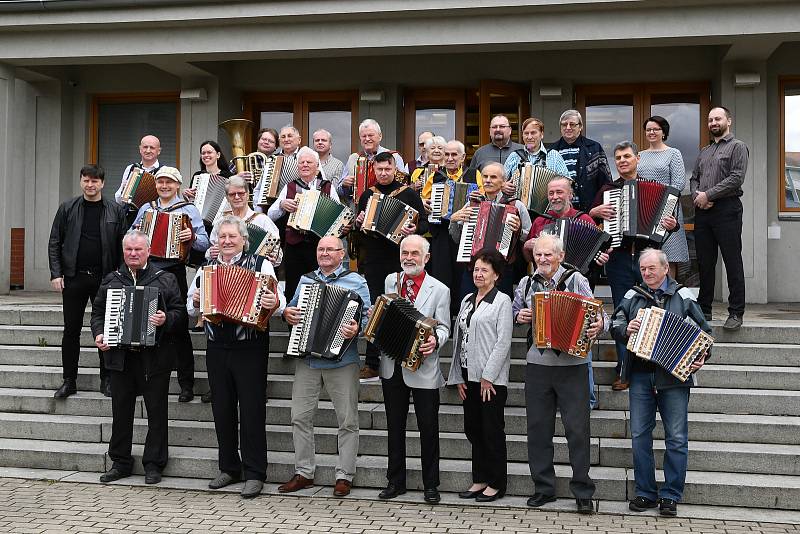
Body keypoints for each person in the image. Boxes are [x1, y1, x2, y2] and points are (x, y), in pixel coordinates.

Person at [187, 215, 285, 499]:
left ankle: (255, 473)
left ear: (244, 239)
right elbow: (192, 308)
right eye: (223, 237)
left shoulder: (261, 264)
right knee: (222, 408)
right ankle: (229, 468)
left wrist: (273, 302)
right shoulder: (207, 268)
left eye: (233, 237)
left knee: (252, 409)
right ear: (217, 240)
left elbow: (279, 304)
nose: (227, 241)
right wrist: (195, 302)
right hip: (217, 346)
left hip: (250, 346)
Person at [610, 248, 711, 517]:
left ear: (666, 269)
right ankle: (645, 493)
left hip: (674, 377)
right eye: (643, 269)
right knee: (640, 435)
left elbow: (704, 332)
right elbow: (615, 322)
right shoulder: (634, 295)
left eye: (651, 268)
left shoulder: (683, 296)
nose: (647, 273)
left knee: (676, 438)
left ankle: (671, 495)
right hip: (641, 375)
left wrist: (701, 356)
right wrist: (625, 329)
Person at [513, 234, 606, 514]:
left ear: (560, 256)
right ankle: (544, 488)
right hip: (538, 365)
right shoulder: (526, 283)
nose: (542, 260)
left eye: (548, 255)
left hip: (572, 366)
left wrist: (598, 326)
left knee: (578, 431)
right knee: (538, 430)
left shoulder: (576, 280)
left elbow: (597, 314)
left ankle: (582, 490)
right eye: (538, 255)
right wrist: (520, 316)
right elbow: (515, 310)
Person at [278, 236, 371, 498]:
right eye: (321, 249)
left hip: (343, 361)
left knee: (348, 420)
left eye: (330, 249)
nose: (325, 253)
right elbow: (292, 308)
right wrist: (288, 314)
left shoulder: (356, 281)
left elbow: (368, 317)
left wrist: (357, 329)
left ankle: (344, 475)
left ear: (342, 254)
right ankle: (304, 472)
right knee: (299, 416)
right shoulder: (307, 279)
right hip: (308, 359)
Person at [92, 230, 186, 485]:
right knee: (121, 411)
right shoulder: (112, 279)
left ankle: (154, 463)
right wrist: (99, 333)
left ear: (147, 251)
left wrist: (166, 319)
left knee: (157, 411)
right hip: (120, 358)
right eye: (129, 250)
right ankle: (120, 461)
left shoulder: (164, 279)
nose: (133, 254)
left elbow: (180, 313)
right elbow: (98, 312)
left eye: (138, 250)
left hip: (155, 358)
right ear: (124, 251)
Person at [590, 141, 677, 391]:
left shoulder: (658, 189)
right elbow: (589, 218)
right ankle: (624, 369)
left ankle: (653, 365)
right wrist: (596, 210)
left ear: (637, 158)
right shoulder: (608, 189)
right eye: (618, 158)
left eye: (627, 156)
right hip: (618, 259)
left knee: (653, 311)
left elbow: (670, 224)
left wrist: (671, 225)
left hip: (646, 259)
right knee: (622, 312)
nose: (622, 161)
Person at [522, 176, 608, 409]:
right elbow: (529, 255)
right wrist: (529, 247)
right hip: (544, 288)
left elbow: (595, 251)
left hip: (575, 285)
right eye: (551, 193)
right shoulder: (540, 221)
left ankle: (586, 399)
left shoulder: (584, 219)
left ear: (570, 194)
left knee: (580, 338)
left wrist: (599, 257)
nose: (555, 197)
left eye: (560, 192)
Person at [376, 235, 450, 505]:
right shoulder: (389, 281)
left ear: (426, 258)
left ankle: (431, 484)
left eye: (414, 254)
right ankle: (395, 481)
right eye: (404, 252)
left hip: (424, 368)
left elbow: (444, 327)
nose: (408, 258)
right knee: (394, 427)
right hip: (392, 366)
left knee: (428, 428)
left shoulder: (439, 289)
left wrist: (436, 340)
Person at [131, 166, 210, 402]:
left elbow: (205, 243)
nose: (164, 186)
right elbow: (130, 236)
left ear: (177, 185)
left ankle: (186, 384)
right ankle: (146, 379)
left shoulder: (187, 209)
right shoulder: (146, 208)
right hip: (148, 270)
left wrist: (191, 238)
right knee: (144, 324)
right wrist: (136, 231)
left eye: (169, 182)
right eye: (160, 182)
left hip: (173, 271)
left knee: (178, 328)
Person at [48, 164, 127, 398]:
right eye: (86, 180)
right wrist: (56, 273)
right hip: (74, 278)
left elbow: (124, 247)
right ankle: (69, 380)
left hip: (106, 279)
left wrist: (120, 277)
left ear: (102, 183)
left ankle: (108, 379)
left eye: (95, 181)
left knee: (107, 330)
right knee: (71, 331)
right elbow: (55, 242)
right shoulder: (67, 208)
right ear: (81, 182)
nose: (90, 185)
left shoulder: (115, 211)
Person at [353, 151, 428, 381]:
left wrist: (413, 229)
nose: (383, 173)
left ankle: (406, 355)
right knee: (375, 308)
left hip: (401, 259)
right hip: (375, 259)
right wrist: (358, 223)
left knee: (403, 307)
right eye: (379, 170)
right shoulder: (367, 194)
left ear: (395, 169)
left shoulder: (408, 194)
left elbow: (424, 222)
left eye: (388, 169)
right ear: (373, 170)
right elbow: (360, 230)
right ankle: (372, 363)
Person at [447, 248, 513, 502]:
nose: (479, 273)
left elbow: (503, 342)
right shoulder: (466, 300)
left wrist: (487, 376)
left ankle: (497, 483)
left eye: (485, 269)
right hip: (468, 375)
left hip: (490, 381)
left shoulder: (502, 301)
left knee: (491, 431)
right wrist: (458, 377)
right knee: (473, 429)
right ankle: (480, 479)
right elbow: (458, 341)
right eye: (476, 268)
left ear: (496, 274)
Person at [691, 106, 749, 331]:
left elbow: (736, 178)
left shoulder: (738, 147)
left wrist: (709, 194)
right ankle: (704, 308)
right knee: (705, 262)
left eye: (718, 119)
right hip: (703, 212)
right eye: (710, 119)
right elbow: (694, 178)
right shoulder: (704, 151)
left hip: (727, 210)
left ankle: (736, 312)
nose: (714, 122)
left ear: (729, 121)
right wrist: (698, 196)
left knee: (732, 260)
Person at [267, 146, 342, 301]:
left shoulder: (327, 186)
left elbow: (338, 216)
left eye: (309, 162)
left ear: (316, 166)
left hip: (319, 246)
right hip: (295, 246)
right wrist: (282, 204)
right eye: (302, 162)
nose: (305, 165)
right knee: (293, 287)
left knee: (320, 287)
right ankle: (291, 322)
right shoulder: (290, 186)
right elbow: (270, 215)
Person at [449, 162, 530, 298]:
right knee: (469, 304)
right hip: (474, 268)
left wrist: (519, 230)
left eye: (493, 177)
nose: (487, 180)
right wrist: (453, 221)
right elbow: (457, 239)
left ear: (503, 181)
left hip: (502, 270)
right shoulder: (471, 204)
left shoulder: (516, 205)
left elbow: (529, 237)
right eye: (485, 176)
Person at [638, 116, 689, 276]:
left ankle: (667, 298)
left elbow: (679, 183)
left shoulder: (673, 153)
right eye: (648, 130)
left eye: (656, 129)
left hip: (668, 210)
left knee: (668, 257)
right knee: (647, 256)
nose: (652, 132)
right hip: (645, 212)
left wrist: (661, 203)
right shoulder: (639, 155)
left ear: (663, 132)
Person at [548, 110, 613, 213]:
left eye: (572, 124)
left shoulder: (594, 148)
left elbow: (606, 183)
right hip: (560, 213)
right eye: (564, 124)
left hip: (591, 213)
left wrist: (600, 209)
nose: (568, 127)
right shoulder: (551, 152)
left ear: (580, 126)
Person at [339, 118, 407, 202]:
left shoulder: (394, 157)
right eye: (364, 136)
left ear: (380, 136)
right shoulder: (353, 158)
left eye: (370, 135)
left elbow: (403, 188)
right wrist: (344, 185)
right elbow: (339, 192)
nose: (367, 139)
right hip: (360, 210)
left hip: (387, 207)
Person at [503, 117, 569, 180]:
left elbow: (567, 181)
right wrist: (504, 186)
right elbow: (500, 181)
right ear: (522, 135)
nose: (529, 137)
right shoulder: (514, 156)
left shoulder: (554, 156)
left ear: (542, 134)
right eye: (526, 133)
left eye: (533, 133)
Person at [114, 135, 162, 204]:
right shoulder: (131, 168)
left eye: (152, 148)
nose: (148, 151)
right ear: (140, 149)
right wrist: (123, 190)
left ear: (159, 151)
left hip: (153, 213)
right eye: (145, 147)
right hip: (131, 213)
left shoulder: (164, 170)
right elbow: (118, 201)